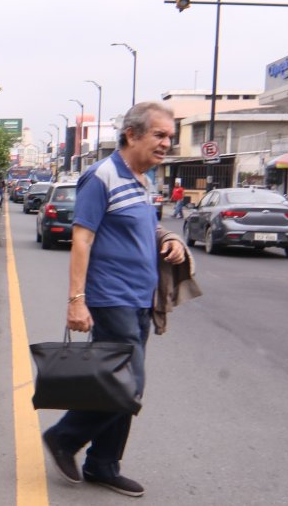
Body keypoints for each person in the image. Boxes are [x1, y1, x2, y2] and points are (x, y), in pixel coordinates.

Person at [42, 101, 187, 498]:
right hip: (112, 299)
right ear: (132, 135)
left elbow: (145, 227)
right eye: (159, 135)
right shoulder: (101, 176)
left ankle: (103, 464)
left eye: (170, 137)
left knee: (119, 383)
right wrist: (76, 300)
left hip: (140, 299)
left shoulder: (144, 179)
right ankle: (64, 437)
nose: (166, 143)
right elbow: (82, 240)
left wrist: (169, 239)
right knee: (128, 386)